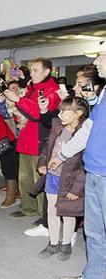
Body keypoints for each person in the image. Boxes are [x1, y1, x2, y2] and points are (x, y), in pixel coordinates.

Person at [52, 42, 106, 279]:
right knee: (94, 233)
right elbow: (88, 130)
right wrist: (62, 155)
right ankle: (93, 275)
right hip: (94, 172)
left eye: (101, 56)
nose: (96, 62)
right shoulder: (104, 94)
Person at [4, 58, 61, 218]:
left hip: (40, 140)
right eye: (32, 70)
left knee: (40, 180)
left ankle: (44, 216)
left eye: (36, 70)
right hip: (26, 138)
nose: (32, 73)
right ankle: (28, 208)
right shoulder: (31, 87)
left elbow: (39, 114)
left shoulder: (52, 90)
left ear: (46, 71)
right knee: (24, 178)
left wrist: (18, 100)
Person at [36, 97, 88, 262]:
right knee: (52, 210)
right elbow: (47, 148)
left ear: (78, 113)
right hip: (52, 177)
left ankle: (65, 244)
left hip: (70, 181)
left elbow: (84, 166)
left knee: (67, 213)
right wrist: (43, 163)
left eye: (65, 111)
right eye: (60, 110)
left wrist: (76, 189)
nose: (60, 114)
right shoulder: (58, 127)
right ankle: (52, 243)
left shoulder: (84, 135)